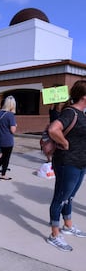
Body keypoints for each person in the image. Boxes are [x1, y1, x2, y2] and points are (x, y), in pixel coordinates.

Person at [46, 80, 86, 251]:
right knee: (60, 197)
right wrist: (65, 143)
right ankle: (54, 234)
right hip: (67, 162)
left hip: (80, 162)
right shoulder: (71, 112)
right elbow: (53, 129)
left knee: (69, 197)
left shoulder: (82, 113)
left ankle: (68, 226)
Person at [0, 96, 17, 180]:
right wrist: (15, 126)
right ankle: (3, 174)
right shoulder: (10, 115)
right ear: (12, 105)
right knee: (6, 158)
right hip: (7, 139)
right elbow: (13, 130)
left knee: (3, 156)